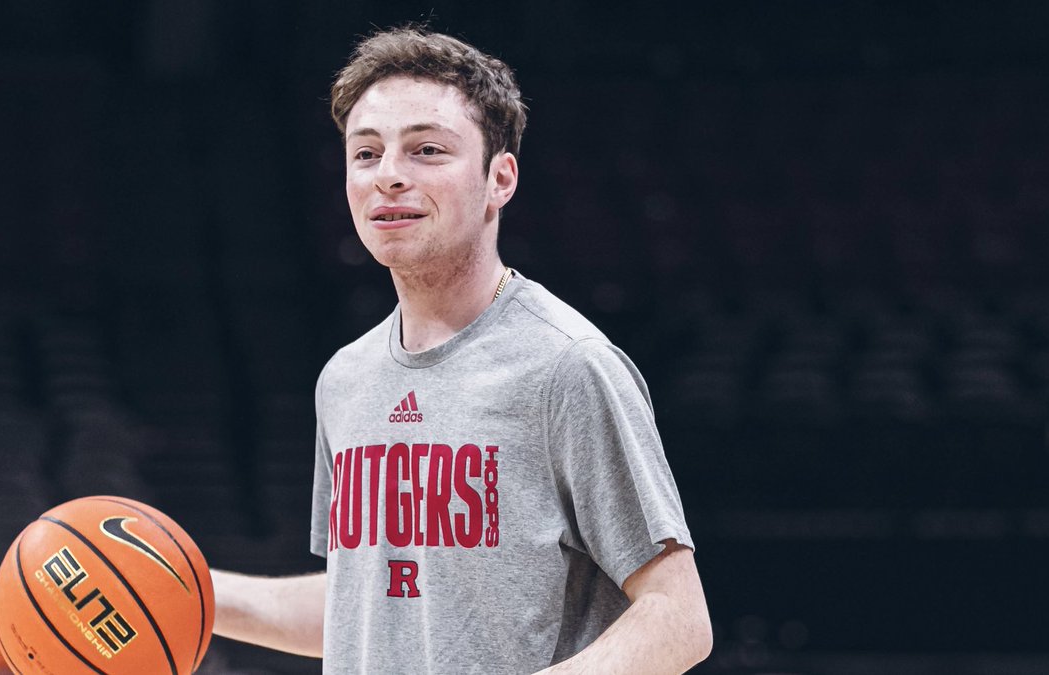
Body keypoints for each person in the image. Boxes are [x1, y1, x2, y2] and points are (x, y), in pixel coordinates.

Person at [213, 24, 712, 674]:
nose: (388, 175)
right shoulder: (346, 378)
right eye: (366, 154)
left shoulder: (568, 366)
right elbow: (372, 603)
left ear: (500, 179)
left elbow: (678, 619)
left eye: (426, 149)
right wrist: (184, 588)